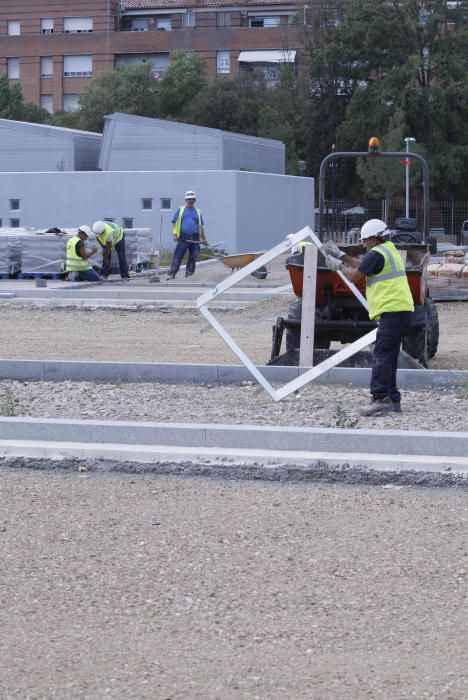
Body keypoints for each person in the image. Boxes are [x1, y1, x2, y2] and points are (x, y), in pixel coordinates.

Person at [324, 219, 414, 416]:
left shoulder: (377, 253)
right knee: (388, 356)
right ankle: (392, 399)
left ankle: (381, 398)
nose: (364, 244)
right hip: (400, 310)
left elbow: (353, 276)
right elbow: (364, 265)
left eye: (365, 241)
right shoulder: (388, 250)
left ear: (374, 239)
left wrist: (337, 265)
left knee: (381, 354)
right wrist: (342, 256)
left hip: (393, 310)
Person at [167, 190, 209, 280]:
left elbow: (200, 227)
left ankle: (189, 274)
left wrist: (204, 239)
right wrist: (175, 234)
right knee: (178, 256)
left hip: (195, 237)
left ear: (195, 200)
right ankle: (172, 273)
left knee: (193, 256)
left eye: (192, 199)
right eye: (189, 199)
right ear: (186, 200)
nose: (191, 201)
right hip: (183, 237)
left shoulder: (197, 212)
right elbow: (174, 223)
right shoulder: (181, 210)